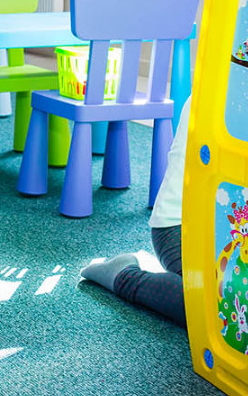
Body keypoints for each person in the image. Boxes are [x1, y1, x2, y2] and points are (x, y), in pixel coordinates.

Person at [79, 101, 190, 327]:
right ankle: (125, 276)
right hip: (180, 228)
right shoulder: (219, 95)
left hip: (236, 233)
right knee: (224, 313)